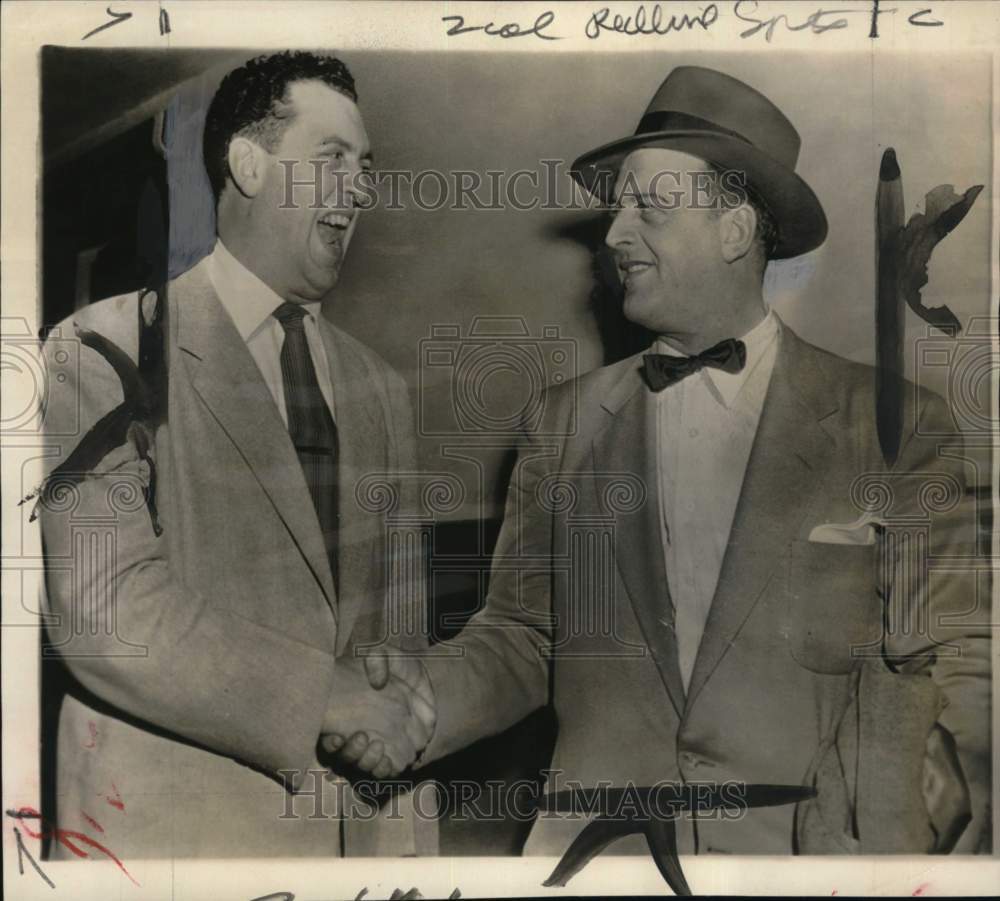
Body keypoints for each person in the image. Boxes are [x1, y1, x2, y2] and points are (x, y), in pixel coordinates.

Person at [350, 65, 991, 855]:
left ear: (735, 232)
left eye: (646, 208)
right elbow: (519, 636)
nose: (615, 234)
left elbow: (955, 663)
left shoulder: (900, 425)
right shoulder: (561, 423)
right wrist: (420, 701)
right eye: (619, 208)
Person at [39, 51, 434, 859]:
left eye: (366, 168)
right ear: (248, 165)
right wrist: (323, 695)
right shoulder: (98, 348)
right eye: (332, 160)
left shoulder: (383, 389)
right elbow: (104, 609)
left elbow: (401, 651)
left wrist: (411, 853)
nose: (359, 188)